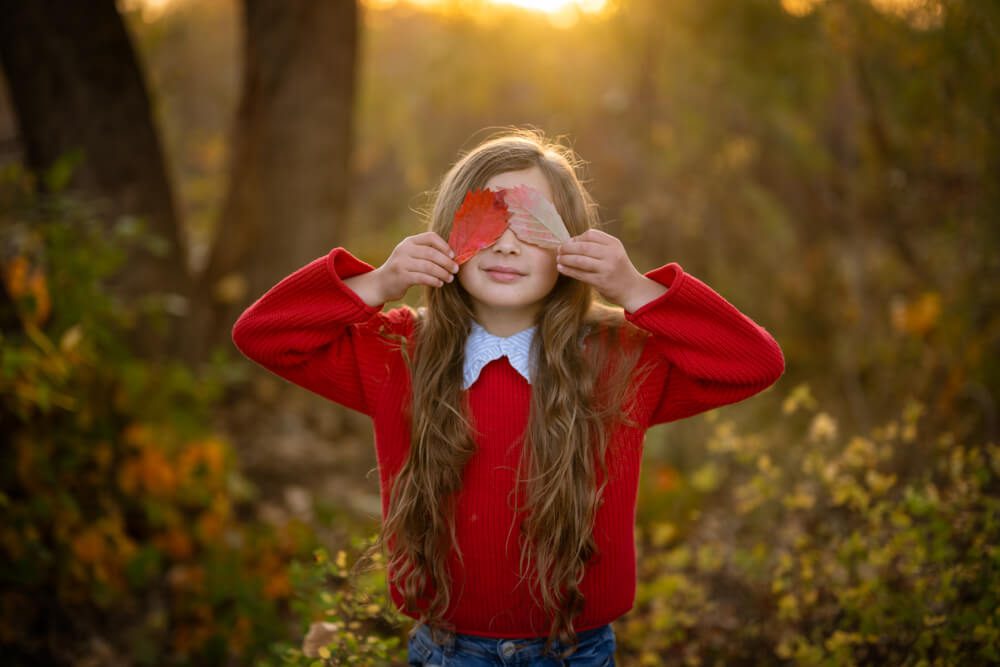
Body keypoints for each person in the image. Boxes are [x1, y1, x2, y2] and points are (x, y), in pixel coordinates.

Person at [231, 129, 784, 666]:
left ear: (573, 245)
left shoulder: (619, 356)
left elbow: (754, 363)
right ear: (448, 235)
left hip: (577, 651)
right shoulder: (398, 351)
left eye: (531, 223)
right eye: (487, 218)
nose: (508, 243)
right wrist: (377, 283)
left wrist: (637, 290)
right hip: (448, 651)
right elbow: (263, 334)